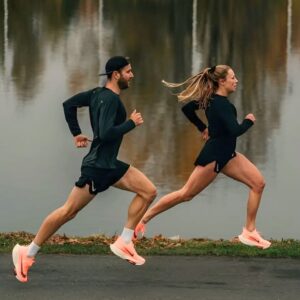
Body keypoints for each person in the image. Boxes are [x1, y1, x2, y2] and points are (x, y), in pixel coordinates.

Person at [12, 56, 157, 283]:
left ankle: (125, 241)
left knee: (148, 191)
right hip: (98, 167)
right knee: (68, 211)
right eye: (128, 71)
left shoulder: (95, 94)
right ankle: (27, 253)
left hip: (109, 164)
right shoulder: (109, 99)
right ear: (116, 74)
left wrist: (76, 133)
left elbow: (68, 105)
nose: (132, 75)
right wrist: (131, 123)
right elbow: (106, 133)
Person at [134, 65, 271, 250]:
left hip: (228, 155)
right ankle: (143, 219)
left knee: (258, 183)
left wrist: (202, 127)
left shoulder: (210, 99)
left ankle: (249, 231)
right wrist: (248, 121)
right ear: (221, 81)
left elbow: (188, 109)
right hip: (214, 157)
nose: (236, 80)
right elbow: (235, 130)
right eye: (233, 77)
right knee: (186, 194)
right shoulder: (222, 105)